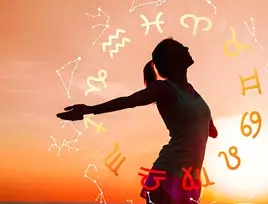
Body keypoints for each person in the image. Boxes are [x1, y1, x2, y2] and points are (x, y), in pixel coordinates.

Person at [56, 38, 218, 204]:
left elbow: (208, 127)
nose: (186, 47)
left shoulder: (192, 91)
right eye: (179, 46)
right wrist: (90, 110)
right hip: (168, 175)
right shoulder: (163, 89)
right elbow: (127, 101)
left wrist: (208, 128)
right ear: (171, 59)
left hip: (191, 180)